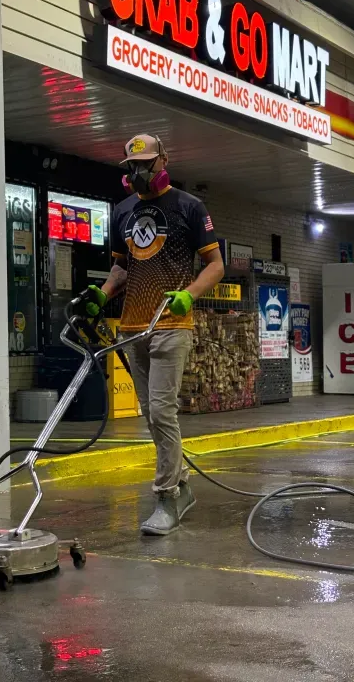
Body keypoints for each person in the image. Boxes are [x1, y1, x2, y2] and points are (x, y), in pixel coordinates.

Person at [86, 134, 224, 535]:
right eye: (132, 165)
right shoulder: (123, 212)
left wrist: (189, 295)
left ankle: (166, 498)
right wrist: (102, 293)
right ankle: (181, 486)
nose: (139, 171)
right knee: (152, 415)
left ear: (164, 159)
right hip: (133, 329)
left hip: (172, 323)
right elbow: (122, 269)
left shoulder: (189, 207)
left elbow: (215, 264)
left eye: (146, 163)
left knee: (163, 411)